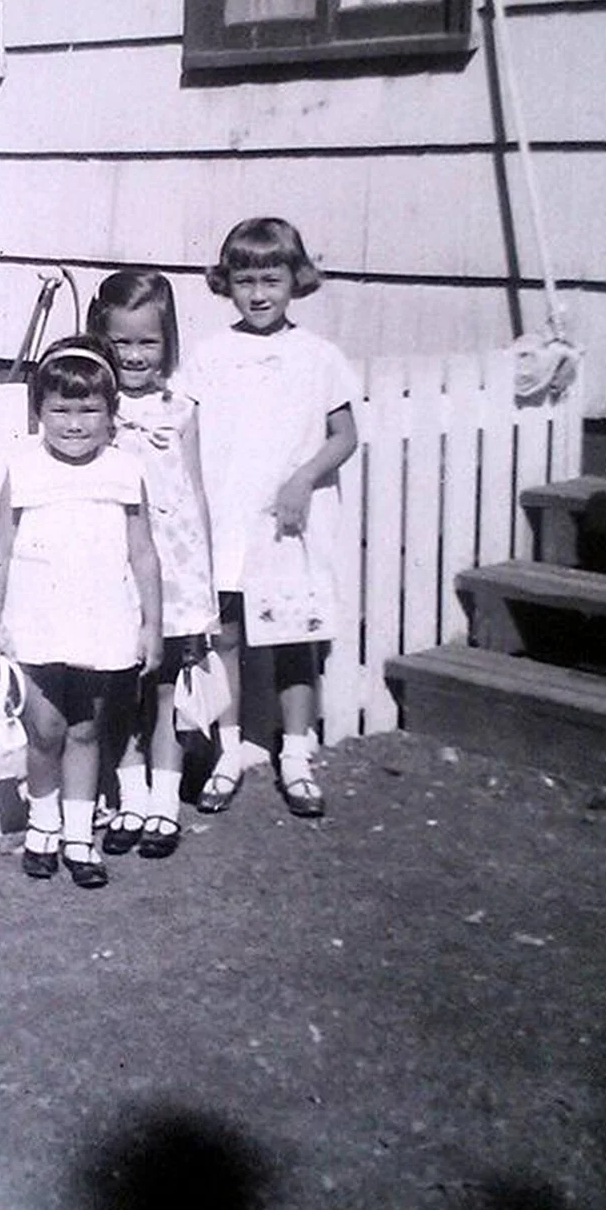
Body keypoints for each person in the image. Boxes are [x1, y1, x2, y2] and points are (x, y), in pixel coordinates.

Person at [179, 218, 359, 819]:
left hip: (288, 525)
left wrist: (303, 478)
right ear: (226, 283)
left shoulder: (318, 356)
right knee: (225, 636)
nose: (258, 294)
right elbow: (190, 437)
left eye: (271, 279)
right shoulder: (210, 356)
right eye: (244, 280)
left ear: (295, 280)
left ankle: (297, 757)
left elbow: (344, 436)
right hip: (228, 521)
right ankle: (229, 753)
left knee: (294, 642)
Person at [0, 336, 163, 888]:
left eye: (90, 410)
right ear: (39, 412)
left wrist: (152, 625)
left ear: (112, 414)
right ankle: (43, 826)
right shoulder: (25, 470)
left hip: (101, 618)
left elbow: (144, 553)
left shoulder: (125, 470)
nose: (75, 423)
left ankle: (80, 836)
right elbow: (0, 552)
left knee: (85, 729)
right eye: (60, 409)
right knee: (46, 728)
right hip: (37, 619)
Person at [87, 270, 218, 859]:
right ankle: (131, 793)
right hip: (114, 570)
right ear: (101, 339)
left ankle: (165, 801)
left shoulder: (181, 409)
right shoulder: (94, 410)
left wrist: (205, 588)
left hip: (175, 573)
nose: (134, 356)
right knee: (117, 685)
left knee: (166, 687)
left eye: (148, 342)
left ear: (168, 343)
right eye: (121, 343)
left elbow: (195, 494)